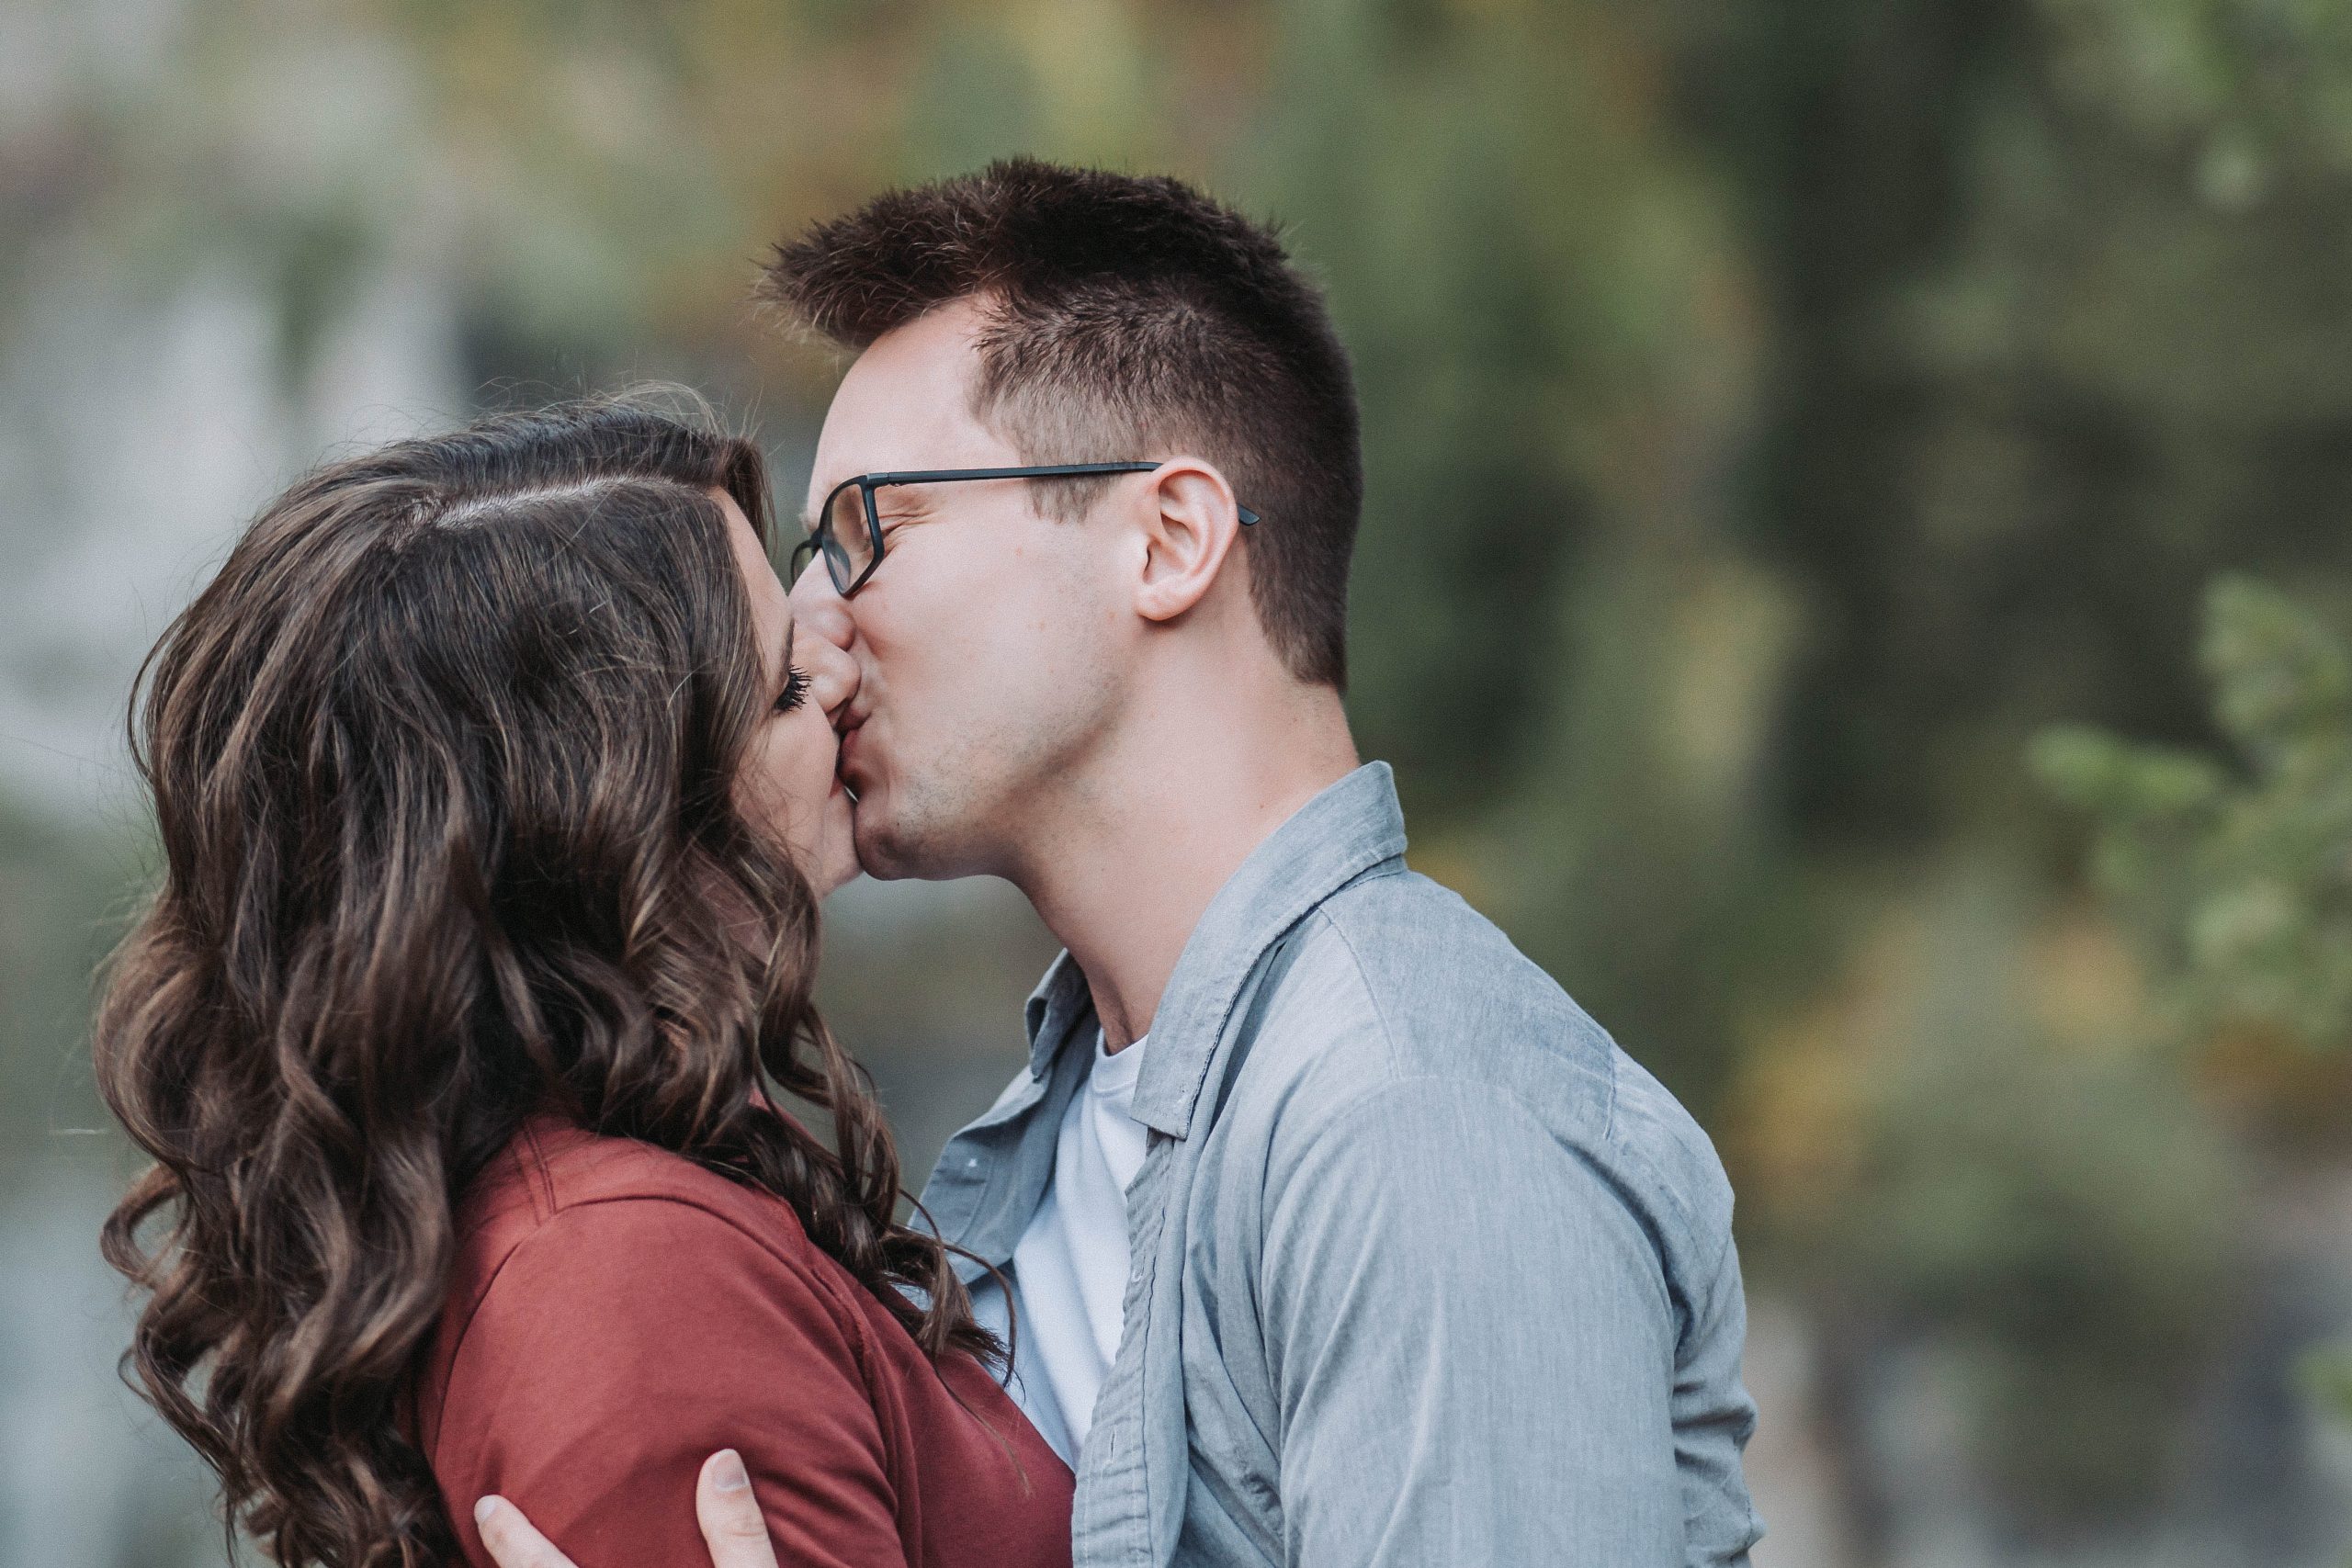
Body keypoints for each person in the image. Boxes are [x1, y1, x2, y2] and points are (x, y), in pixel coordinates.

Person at [485, 161, 1764, 1567]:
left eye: (867, 532)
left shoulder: (1409, 1116)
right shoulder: (1070, 1118)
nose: (815, 628)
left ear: (1166, 539)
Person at [96, 400, 1073, 1568]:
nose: (841, 654)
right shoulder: (626, 1284)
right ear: (609, 824)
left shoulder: (619, 1194)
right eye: (778, 689)